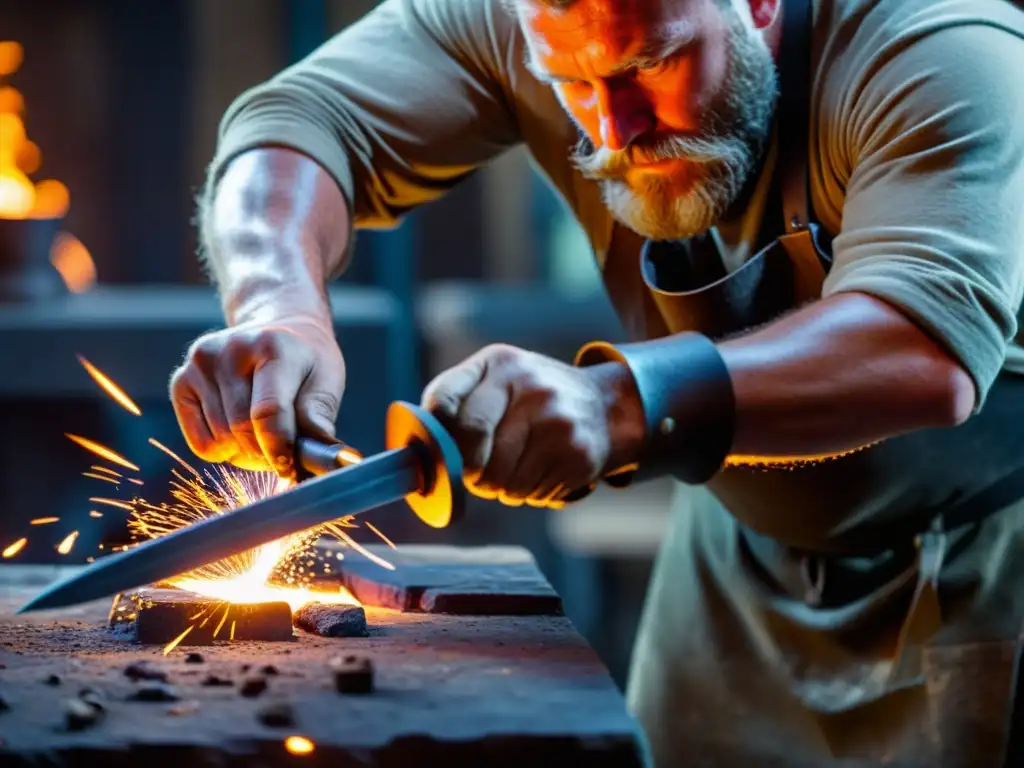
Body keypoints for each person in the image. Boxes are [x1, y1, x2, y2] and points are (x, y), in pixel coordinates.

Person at [171, 0, 1024, 763]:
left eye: (650, 64)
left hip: (984, 569)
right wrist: (276, 305)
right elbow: (298, 119)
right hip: (733, 562)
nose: (613, 131)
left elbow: (919, 346)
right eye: (570, 83)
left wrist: (614, 404)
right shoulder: (538, 17)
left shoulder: (943, 49)